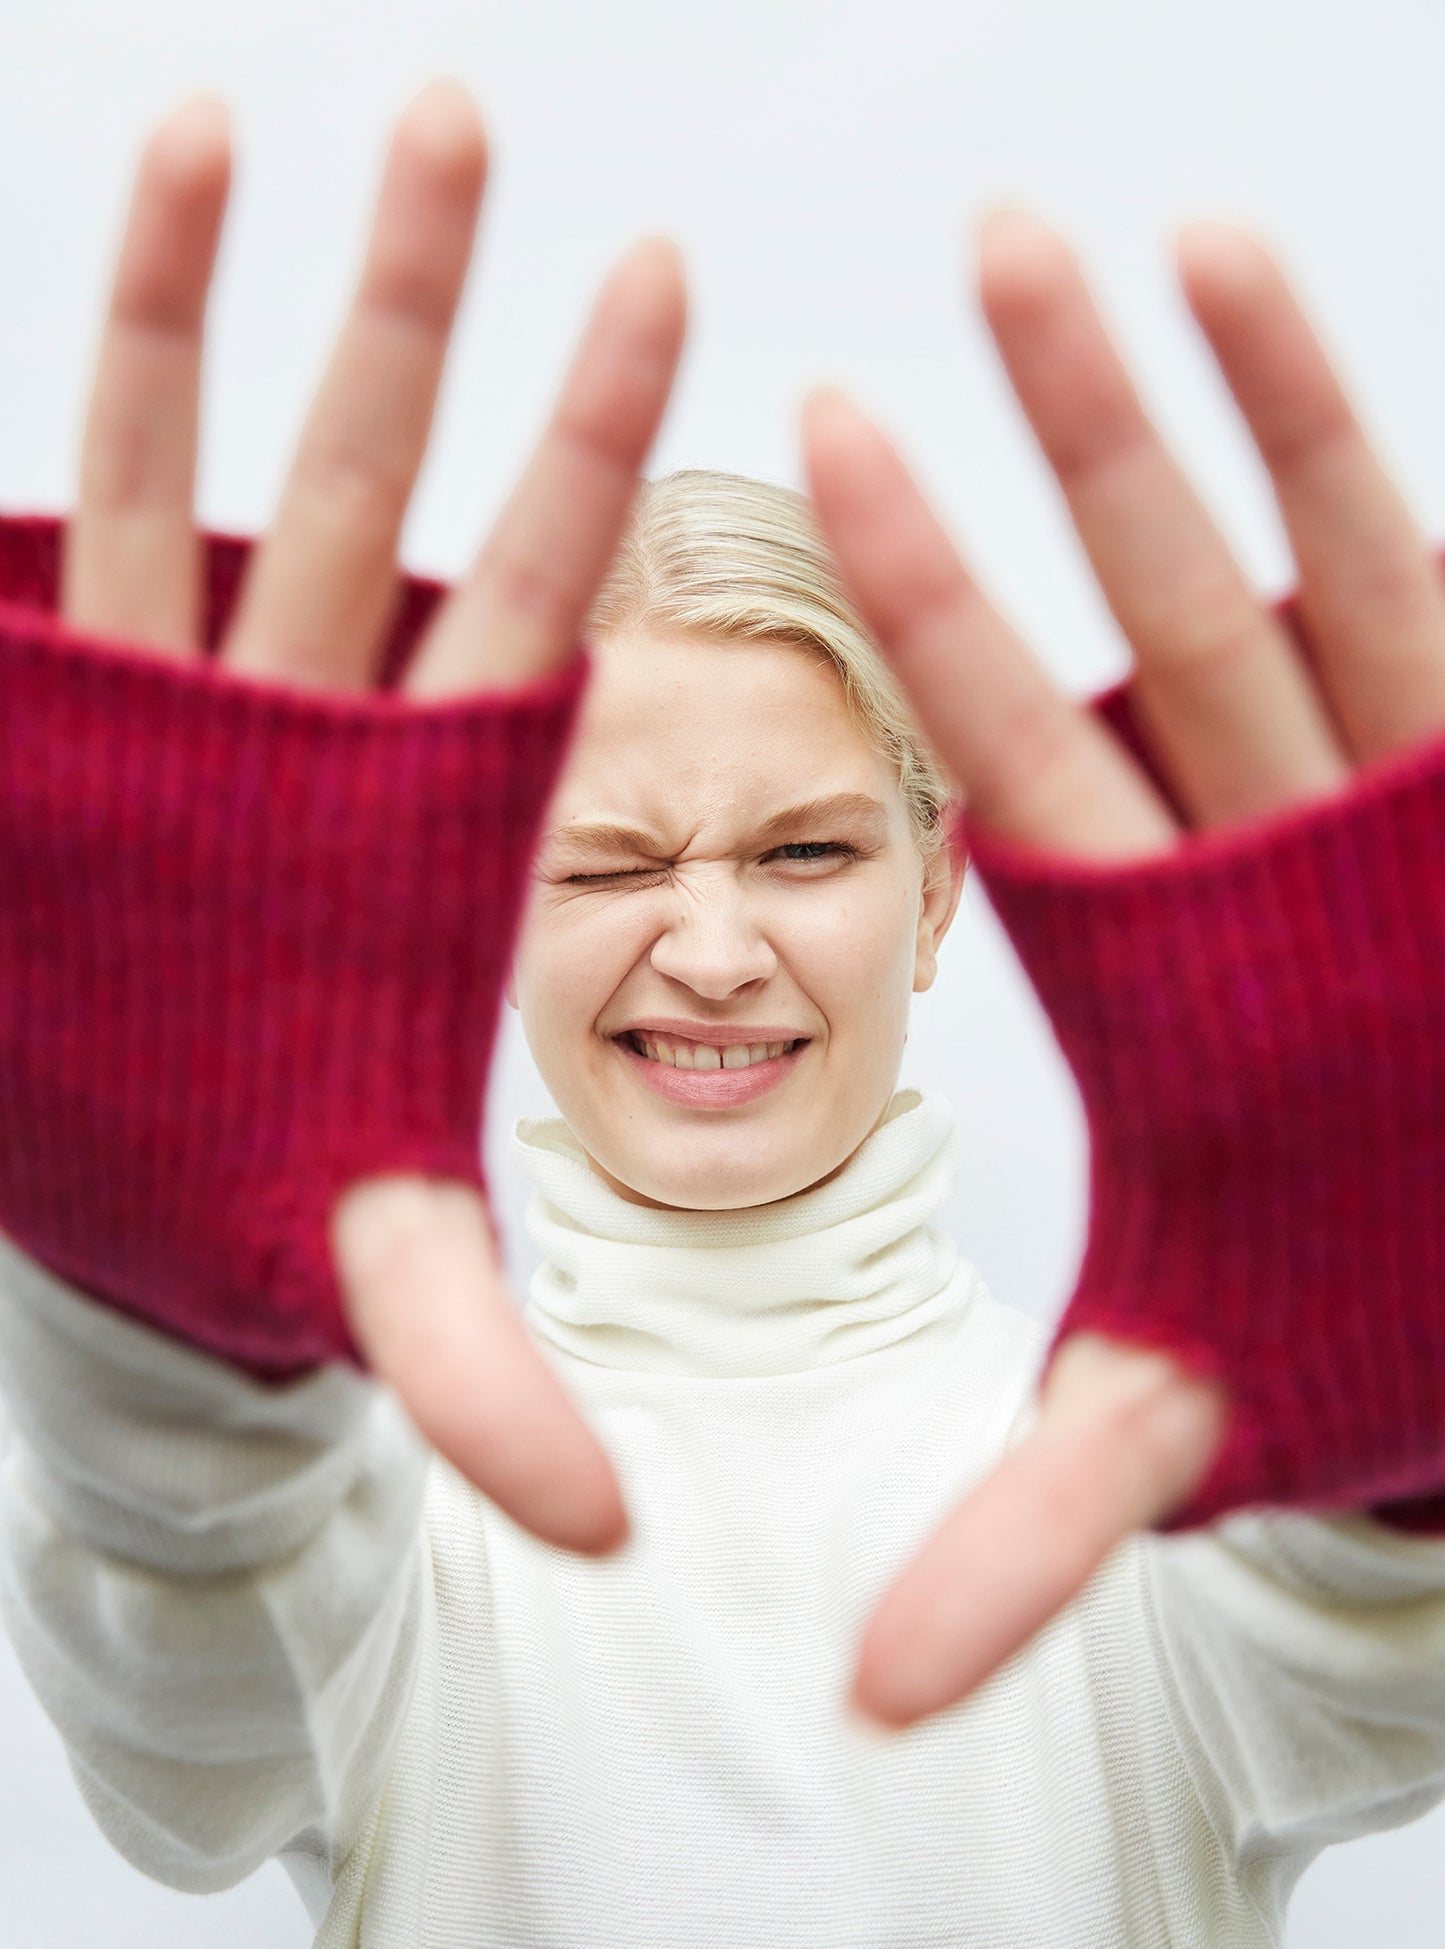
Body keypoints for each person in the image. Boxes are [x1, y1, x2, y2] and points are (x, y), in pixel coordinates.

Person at [1, 74, 1444, 1947]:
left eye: (804, 854)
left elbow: (1375, 1656)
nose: (706, 950)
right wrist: (156, 1345)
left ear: (935, 890)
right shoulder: (359, 1490)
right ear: (474, 918)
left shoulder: (1139, 1458)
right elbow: (183, 1726)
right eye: (604, 867)